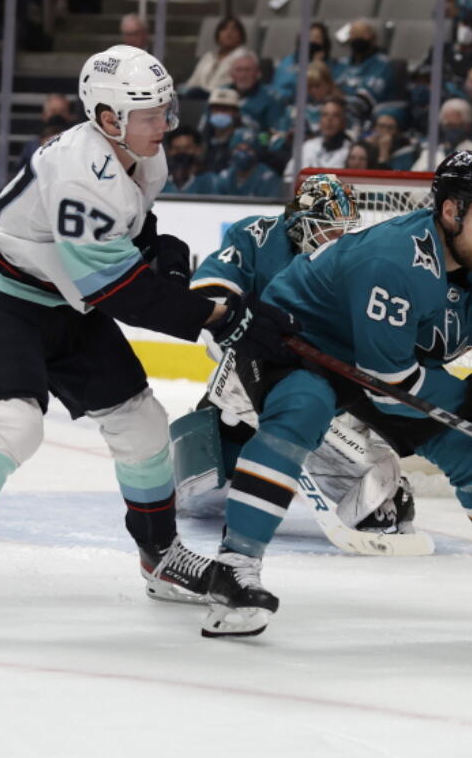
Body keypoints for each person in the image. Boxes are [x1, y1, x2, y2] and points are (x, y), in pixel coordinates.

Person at [0, 44, 299, 637]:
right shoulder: (80, 168)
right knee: (12, 424)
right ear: (107, 119)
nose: (166, 124)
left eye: (165, 110)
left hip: (59, 295)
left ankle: (162, 558)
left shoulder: (144, 158)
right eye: (150, 114)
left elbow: (129, 239)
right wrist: (217, 315)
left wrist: (163, 257)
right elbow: (116, 290)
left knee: (142, 421)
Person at [198, 150, 472, 637]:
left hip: (385, 363)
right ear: (451, 211)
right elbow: (392, 386)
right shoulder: (394, 260)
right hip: (300, 341)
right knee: (300, 413)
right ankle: (234, 568)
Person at [179, 174, 418, 533]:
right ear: (300, 225)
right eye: (330, 231)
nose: (340, 241)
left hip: (321, 383)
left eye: (346, 231)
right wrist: (240, 334)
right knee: (202, 490)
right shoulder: (258, 237)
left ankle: (367, 484)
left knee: (378, 495)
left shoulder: (353, 264)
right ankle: (237, 453)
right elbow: (211, 294)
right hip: (254, 371)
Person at [181, 16, 248, 99]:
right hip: (197, 98)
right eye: (224, 29)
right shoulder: (208, 56)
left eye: (234, 29)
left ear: (241, 35)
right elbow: (193, 81)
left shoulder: (245, 58)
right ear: (218, 34)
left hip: (224, 101)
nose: (228, 33)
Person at [269, 22, 336, 106]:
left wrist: (317, 66)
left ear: (324, 43)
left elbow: (321, 93)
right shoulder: (287, 62)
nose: (312, 40)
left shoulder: (329, 66)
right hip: (284, 106)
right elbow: (277, 89)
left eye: (317, 37)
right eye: (309, 37)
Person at [334, 19, 396, 108]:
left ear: (373, 39)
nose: (357, 38)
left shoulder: (383, 65)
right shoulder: (341, 64)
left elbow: (366, 100)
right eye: (354, 34)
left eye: (362, 34)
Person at [285, 95, 351, 178]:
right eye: (325, 115)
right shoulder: (307, 147)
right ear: (320, 120)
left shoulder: (350, 151)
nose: (329, 120)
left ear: (343, 121)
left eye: (335, 115)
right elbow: (288, 176)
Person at [226, 49, 285, 138]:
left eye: (247, 70)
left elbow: (276, 134)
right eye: (238, 70)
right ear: (231, 74)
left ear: (258, 73)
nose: (243, 75)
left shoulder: (271, 98)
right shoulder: (220, 93)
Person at [412, 97, 472, 170]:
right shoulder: (431, 152)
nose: (451, 130)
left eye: (455, 125)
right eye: (447, 125)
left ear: (466, 125)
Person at [19, 93, 74, 164]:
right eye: (53, 111)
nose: (57, 115)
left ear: (69, 115)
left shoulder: (77, 143)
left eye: (62, 111)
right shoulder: (32, 146)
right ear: (44, 115)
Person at [162, 127, 219, 195]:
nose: (181, 153)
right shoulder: (160, 182)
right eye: (176, 149)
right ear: (169, 151)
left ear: (198, 149)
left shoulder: (210, 181)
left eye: (187, 148)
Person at [200, 87, 242, 173]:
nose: (220, 113)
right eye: (216, 109)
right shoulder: (202, 140)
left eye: (225, 109)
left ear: (236, 113)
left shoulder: (241, 140)